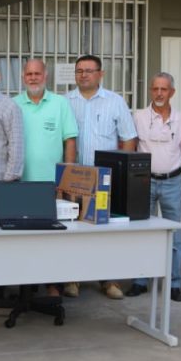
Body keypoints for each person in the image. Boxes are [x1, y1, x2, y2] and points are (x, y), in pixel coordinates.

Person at [65, 54, 138, 300]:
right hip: (74, 177)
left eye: (89, 70)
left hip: (106, 179)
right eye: (79, 71)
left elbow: (129, 138)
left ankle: (109, 280)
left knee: (105, 233)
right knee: (73, 230)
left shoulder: (115, 102)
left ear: (101, 74)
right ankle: (71, 278)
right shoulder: (65, 101)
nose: (83, 75)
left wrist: (120, 172)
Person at [13, 58, 77, 297]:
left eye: (37, 73)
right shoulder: (13, 104)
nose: (33, 78)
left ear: (45, 75)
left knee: (53, 240)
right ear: (22, 77)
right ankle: (27, 287)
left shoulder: (60, 104)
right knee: (25, 241)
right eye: (28, 74)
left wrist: (66, 180)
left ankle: (54, 286)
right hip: (20, 185)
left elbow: (69, 141)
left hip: (52, 185)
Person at [130, 72, 181, 301]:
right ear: (150, 91)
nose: (159, 93)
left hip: (173, 181)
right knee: (143, 232)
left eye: (164, 89)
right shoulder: (139, 117)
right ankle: (140, 280)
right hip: (144, 181)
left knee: (173, 234)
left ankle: (174, 283)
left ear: (172, 92)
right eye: (155, 89)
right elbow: (133, 146)